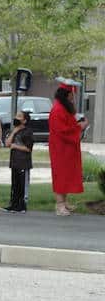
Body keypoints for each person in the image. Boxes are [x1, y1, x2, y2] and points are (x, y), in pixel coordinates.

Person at [49, 80, 88, 216]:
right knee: (61, 175)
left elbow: (70, 125)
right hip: (60, 148)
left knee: (66, 175)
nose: (73, 97)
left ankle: (64, 202)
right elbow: (63, 130)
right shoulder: (58, 109)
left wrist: (79, 122)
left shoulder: (64, 108)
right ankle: (59, 205)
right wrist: (80, 127)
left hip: (67, 148)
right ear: (67, 94)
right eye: (72, 94)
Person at [4, 111, 34, 213]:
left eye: (19, 116)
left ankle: (22, 204)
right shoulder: (14, 131)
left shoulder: (28, 132)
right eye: (16, 116)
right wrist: (14, 131)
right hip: (14, 162)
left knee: (22, 184)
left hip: (23, 163)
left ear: (24, 120)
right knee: (15, 184)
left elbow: (28, 148)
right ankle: (14, 203)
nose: (16, 118)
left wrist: (15, 146)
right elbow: (7, 143)